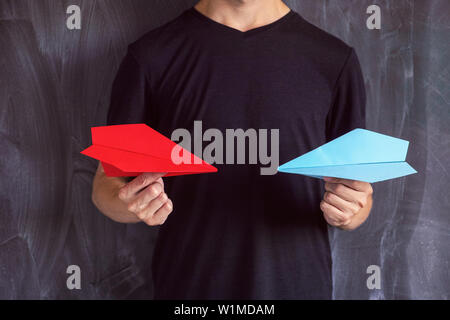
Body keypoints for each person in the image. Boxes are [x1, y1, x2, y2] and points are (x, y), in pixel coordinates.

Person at [91, 0, 373, 299]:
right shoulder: (150, 57)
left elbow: (358, 196)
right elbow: (105, 185)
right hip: (190, 291)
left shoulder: (333, 60)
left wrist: (350, 212)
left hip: (298, 287)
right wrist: (132, 204)